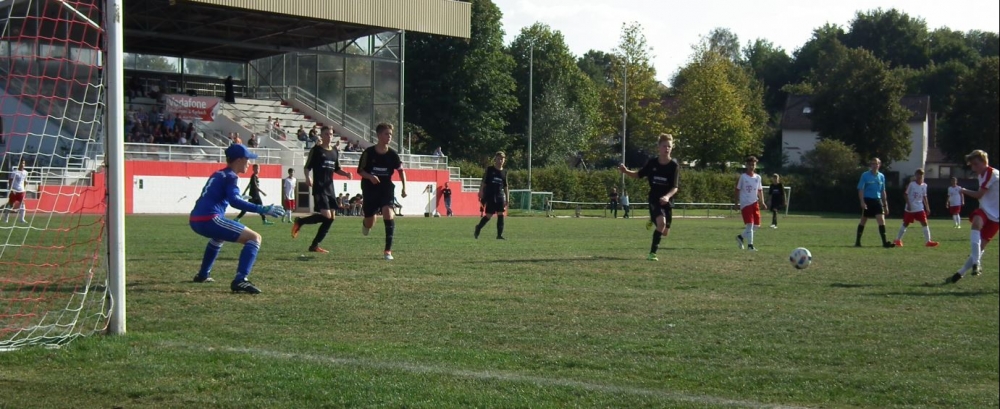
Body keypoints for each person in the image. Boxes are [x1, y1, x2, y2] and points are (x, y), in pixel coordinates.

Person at [188, 144, 285, 294]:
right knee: (255, 238)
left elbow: (217, 195)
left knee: (218, 238)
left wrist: (238, 197)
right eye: (247, 159)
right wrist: (263, 209)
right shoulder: (232, 177)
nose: (249, 163)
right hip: (209, 219)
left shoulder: (219, 174)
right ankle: (241, 280)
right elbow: (234, 202)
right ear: (239, 160)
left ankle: (203, 275)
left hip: (195, 219)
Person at [291, 126, 353, 253]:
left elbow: (337, 169)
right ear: (322, 135)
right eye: (326, 134)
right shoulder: (316, 150)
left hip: (330, 188)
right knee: (327, 216)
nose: (329, 136)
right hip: (319, 187)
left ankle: (314, 245)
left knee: (331, 218)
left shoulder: (334, 151)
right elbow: (307, 166)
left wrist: (346, 174)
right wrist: (307, 177)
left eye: (331, 134)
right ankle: (300, 221)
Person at [619, 134, 680, 261]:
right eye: (664, 146)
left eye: (669, 146)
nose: (667, 149)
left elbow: (675, 187)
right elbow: (639, 174)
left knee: (665, 232)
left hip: (667, 200)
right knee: (661, 223)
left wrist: (667, 197)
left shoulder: (674, 166)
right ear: (659, 147)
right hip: (654, 199)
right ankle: (652, 253)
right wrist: (626, 171)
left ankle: (653, 219)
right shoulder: (652, 163)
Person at [946, 150, 999, 284]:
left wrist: (962, 190)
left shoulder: (991, 173)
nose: (973, 168)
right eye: (972, 165)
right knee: (976, 223)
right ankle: (977, 263)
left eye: (976, 164)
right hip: (985, 210)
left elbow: (979, 195)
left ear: (984, 162)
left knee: (981, 246)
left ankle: (960, 273)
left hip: (997, 216)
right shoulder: (982, 174)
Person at [358, 123, 407, 260]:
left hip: (386, 188)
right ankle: (366, 223)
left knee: (388, 213)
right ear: (379, 135)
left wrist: (404, 187)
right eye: (386, 134)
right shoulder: (368, 153)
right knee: (370, 221)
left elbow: (401, 171)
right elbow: (360, 171)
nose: (389, 136)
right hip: (370, 188)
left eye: (390, 134)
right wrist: (370, 177)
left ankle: (387, 251)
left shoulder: (393, 154)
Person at [855, 158, 895, 248]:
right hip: (867, 200)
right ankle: (857, 241)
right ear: (871, 165)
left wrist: (885, 205)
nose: (874, 165)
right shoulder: (865, 175)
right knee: (863, 220)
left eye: (876, 164)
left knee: (881, 220)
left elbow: (883, 191)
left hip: (877, 200)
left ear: (879, 165)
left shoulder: (881, 176)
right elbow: (861, 189)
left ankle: (884, 242)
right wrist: (862, 202)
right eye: (873, 164)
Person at [894, 169, 938, 248]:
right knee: (906, 223)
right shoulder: (912, 184)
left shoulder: (924, 185)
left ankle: (928, 241)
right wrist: (908, 204)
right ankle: (897, 240)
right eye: (918, 174)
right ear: (915, 175)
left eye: (921, 174)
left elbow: (924, 197)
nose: (919, 176)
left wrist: (927, 207)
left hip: (919, 208)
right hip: (910, 208)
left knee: (924, 223)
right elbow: (905, 194)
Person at [474, 151, 510, 240]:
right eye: (498, 159)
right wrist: (481, 191)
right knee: (489, 215)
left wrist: (507, 198)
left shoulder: (504, 172)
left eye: (502, 159)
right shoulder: (490, 169)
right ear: (495, 159)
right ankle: (478, 227)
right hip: (490, 195)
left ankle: (499, 235)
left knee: (501, 214)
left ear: (504, 160)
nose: (500, 161)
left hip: (500, 196)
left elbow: (505, 186)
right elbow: (484, 182)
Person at [735, 156, 767, 251]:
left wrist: (762, 202)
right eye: (749, 165)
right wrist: (736, 203)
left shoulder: (758, 177)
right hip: (745, 203)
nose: (751, 166)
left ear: (755, 165)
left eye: (753, 164)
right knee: (750, 224)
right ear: (746, 165)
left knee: (756, 225)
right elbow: (737, 190)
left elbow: (760, 190)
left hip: (754, 203)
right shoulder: (743, 177)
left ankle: (740, 237)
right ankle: (750, 246)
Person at [4, 159, 28, 224]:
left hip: (21, 191)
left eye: (24, 163)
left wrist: (24, 188)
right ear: (19, 164)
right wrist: (11, 189)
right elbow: (10, 181)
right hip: (14, 191)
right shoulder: (14, 172)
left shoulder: (26, 172)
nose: (23, 165)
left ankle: (22, 219)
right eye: (22, 163)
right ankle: (6, 219)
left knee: (22, 204)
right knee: (11, 205)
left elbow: (25, 181)